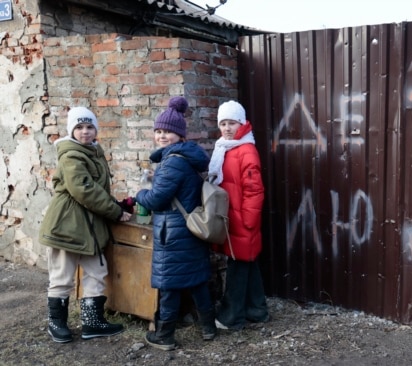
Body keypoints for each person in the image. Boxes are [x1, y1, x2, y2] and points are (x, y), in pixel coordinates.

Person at [39, 106, 132, 343]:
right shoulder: (71, 155)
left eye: (89, 127)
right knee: (62, 275)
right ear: (71, 131)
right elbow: (84, 190)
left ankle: (92, 323)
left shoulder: (93, 151)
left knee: (96, 272)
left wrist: (118, 206)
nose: (85, 132)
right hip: (67, 224)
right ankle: (56, 324)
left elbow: (97, 189)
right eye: (79, 127)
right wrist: (114, 212)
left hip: (91, 224)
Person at [135, 96, 217, 351]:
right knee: (196, 280)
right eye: (158, 131)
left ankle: (164, 335)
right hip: (189, 229)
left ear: (180, 135)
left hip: (172, 232)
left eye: (168, 132)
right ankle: (208, 328)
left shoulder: (172, 162)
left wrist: (139, 194)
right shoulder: (187, 158)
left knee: (169, 284)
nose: (162, 136)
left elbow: (157, 199)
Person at [208, 100, 268, 330]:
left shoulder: (246, 151)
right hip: (230, 218)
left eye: (231, 123)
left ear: (241, 124)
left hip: (242, 220)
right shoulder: (224, 147)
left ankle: (231, 317)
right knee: (247, 263)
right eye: (223, 123)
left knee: (237, 266)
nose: (227, 128)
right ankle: (257, 310)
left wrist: (248, 222)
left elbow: (254, 189)